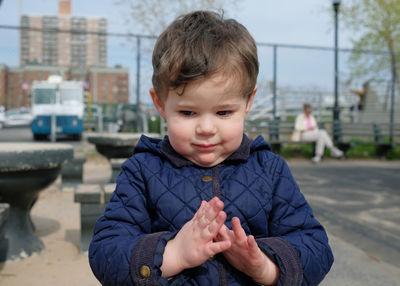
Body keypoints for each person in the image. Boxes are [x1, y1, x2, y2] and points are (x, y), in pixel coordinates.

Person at [89, 11, 334, 286]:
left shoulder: (269, 169)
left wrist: (264, 266)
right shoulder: (143, 171)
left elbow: (316, 247)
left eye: (224, 112)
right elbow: (105, 251)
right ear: (160, 104)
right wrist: (172, 254)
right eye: (189, 112)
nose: (206, 128)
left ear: (248, 101)